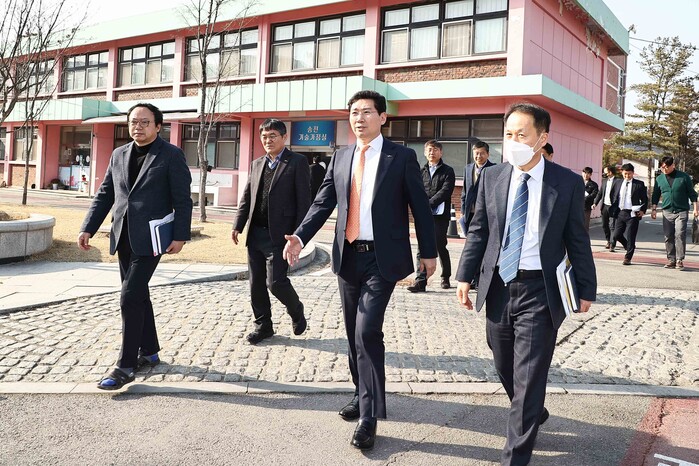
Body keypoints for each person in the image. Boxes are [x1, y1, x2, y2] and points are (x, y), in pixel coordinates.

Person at [283, 90, 437, 450]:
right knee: (354, 332)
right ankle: (360, 391)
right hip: (348, 256)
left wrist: (429, 253)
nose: (359, 118)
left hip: (382, 259)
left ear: (382, 118)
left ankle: (369, 416)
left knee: (367, 331)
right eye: (354, 112)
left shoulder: (401, 157)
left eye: (367, 112)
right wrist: (300, 237)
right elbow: (323, 203)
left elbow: (420, 205)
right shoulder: (341, 156)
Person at [455, 103, 596, 465]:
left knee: (530, 375)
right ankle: (532, 407)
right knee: (504, 363)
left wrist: (586, 288)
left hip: (540, 290)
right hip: (499, 285)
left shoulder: (565, 182)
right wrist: (464, 276)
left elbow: (577, 238)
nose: (513, 141)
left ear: (542, 138)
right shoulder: (493, 177)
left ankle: (515, 457)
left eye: (522, 134)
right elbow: (479, 231)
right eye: (508, 134)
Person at [78, 102, 193, 390]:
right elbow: (106, 193)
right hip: (123, 236)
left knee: (129, 297)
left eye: (144, 122)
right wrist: (88, 227)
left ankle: (126, 366)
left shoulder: (171, 155)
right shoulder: (119, 154)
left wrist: (180, 236)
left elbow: (183, 199)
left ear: (158, 126)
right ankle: (150, 350)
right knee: (138, 294)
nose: (137, 127)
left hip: (153, 239)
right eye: (133, 122)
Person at [232, 118, 311, 345]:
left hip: (280, 236)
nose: (268, 140)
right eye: (264, 136)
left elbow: (304, 201)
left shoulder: (297, 162)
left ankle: (296, 309)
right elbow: (247, 196)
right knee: (256, 284)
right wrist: (238, 224)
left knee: (276, 283)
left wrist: (299, 235)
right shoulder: (257, 164)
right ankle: (263, 325)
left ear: (284, 137)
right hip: (255, 233)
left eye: (273, 136)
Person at [407, 140, 455, 292]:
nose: (431, 153)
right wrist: (421, 206)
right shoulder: (421, 171)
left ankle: (445, 276)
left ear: (441, 152)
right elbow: (416, 189)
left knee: (439, 245)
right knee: (422, 246)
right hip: (423, 214)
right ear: (424, 152)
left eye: (434, 150)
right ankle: (420, 281)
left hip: (440, 215)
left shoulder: (448, 171)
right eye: (429, 150)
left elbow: (445, 191)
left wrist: (428, 204)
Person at [650, 156, 698, 270]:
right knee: (668, 236)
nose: (665, 169)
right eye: (662, 167)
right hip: (667, 211)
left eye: (667, 167)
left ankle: (679, 259)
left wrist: (696, 209)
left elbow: (692, 194)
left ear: (673, 165)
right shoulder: (660, 179)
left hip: (681, 210)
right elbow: (655, 195)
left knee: (680, 234)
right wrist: (654, 209)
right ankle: (671, 259)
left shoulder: (684, 177)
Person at [610, 163, 648, 264]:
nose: (627, 176)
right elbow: (613, 195)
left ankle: (628, 258)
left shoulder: (639, 184)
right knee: (616, 235)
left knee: (631, 235)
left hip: (633, 214)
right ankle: (628, 246)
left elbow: (644, 199)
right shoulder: (618, 183)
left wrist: (642, 210)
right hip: (621, 212)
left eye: (629, 174)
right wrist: (613, 207)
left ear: (633, 173)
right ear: (622, 172)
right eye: (625, 174)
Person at [460, 141, 496, 235]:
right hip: (470, 212)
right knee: (470, 237)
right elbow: (465, 191)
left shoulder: (494, 169)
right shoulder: (468, 168)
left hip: (486, 213)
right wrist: (463, 210)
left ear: (488, 154)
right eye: (476, 153)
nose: (479, 156)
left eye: (482, 153)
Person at [592, 165, 621, 249]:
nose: (603, 173)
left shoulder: (618, 181)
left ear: (610, 172)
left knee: (612, 226)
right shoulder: (604, 181)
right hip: (604, 206)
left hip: (613, 206)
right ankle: (608, 240)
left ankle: (612, 243)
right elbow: (600, 193)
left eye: (605, 172)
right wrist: (595, 203)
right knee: (604, 225)